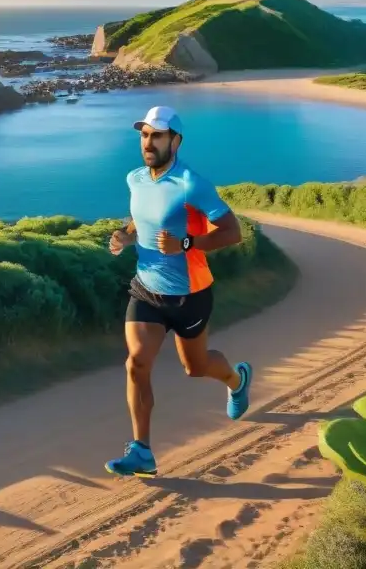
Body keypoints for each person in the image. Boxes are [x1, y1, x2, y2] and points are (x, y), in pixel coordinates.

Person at [105, 105, 252, 478]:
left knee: (195, 367)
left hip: (190, 295)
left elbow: (232, 232)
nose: (148, 142)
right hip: (146, 290)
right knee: (136, 363)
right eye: (144, 135)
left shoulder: (192, 183)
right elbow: (141, 219)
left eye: (157, 135)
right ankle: (142, 451)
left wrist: (186, 244)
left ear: (176, 140)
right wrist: (126, 234)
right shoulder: (135, 178)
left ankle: (237, 380)